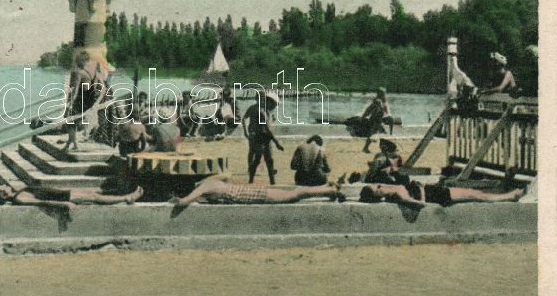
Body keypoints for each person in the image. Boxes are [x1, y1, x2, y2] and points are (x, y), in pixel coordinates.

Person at [170, 174, 344, 206]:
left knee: (295, 194)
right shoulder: (211, 181)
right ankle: (325, 188)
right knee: (294, 192)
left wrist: (178, 200)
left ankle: (329, 190)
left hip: (254, 195)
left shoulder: (203, 188)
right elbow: (226, 176)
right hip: (252, 191)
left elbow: (186, 201)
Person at [358, 182, 525, 208]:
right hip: (439, 196)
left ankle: (508, 195)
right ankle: (510, 196)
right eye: (377, 188)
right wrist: (422, 191)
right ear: (378, 194)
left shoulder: (390, 191)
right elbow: (420, 204)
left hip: (435, 191)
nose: (380, 185)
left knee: (475, 193)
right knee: (476, 195)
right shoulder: (396, 194)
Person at [0, 183, 144, 209]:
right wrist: (64, 204)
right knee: (95, 197)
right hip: (64, 198)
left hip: (63, 194)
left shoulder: (17, 192)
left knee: (95, 194)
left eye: (2, 186)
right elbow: (41, 202)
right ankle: (127, 198)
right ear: (2, 197)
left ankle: (125, 195)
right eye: (1, 191)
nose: (4, 187)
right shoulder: (19, 198)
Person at [64, 51, 104, 151]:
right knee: (72, 122)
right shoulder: (91, 73)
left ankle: (74, 144)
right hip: (88, 101)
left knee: (68, 121)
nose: (76, 62)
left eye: (78, 60)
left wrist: (70, 104)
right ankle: (72, 144)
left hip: (81, 101)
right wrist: (96, 102)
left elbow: (75, 90)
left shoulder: (78, 72)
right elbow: (102, 89)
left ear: (81, 61)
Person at [243, 91, 284, 185]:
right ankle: (251, 179)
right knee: (257, 159)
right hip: (259, 139)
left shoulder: (266, 112)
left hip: (266, 139)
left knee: (269, 161)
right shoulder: (260, 112)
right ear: (268, 102)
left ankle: (272, 182)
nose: (274, 107)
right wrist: (276, 142)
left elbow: (268, 127)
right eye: (273, 105)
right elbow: (266, 129)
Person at [345, 88, 390, 153]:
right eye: (383, 93)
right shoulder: (378, 102)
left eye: (384, 93)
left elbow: (382, 112)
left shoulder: (381, 101)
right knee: (374, 135)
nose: (384, 95)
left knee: (379, 134)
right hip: (375, 121)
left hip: (378, 121)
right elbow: (370, 110)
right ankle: (366, 148)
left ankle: (369, 148)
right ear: (380, 94)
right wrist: (363, 117)